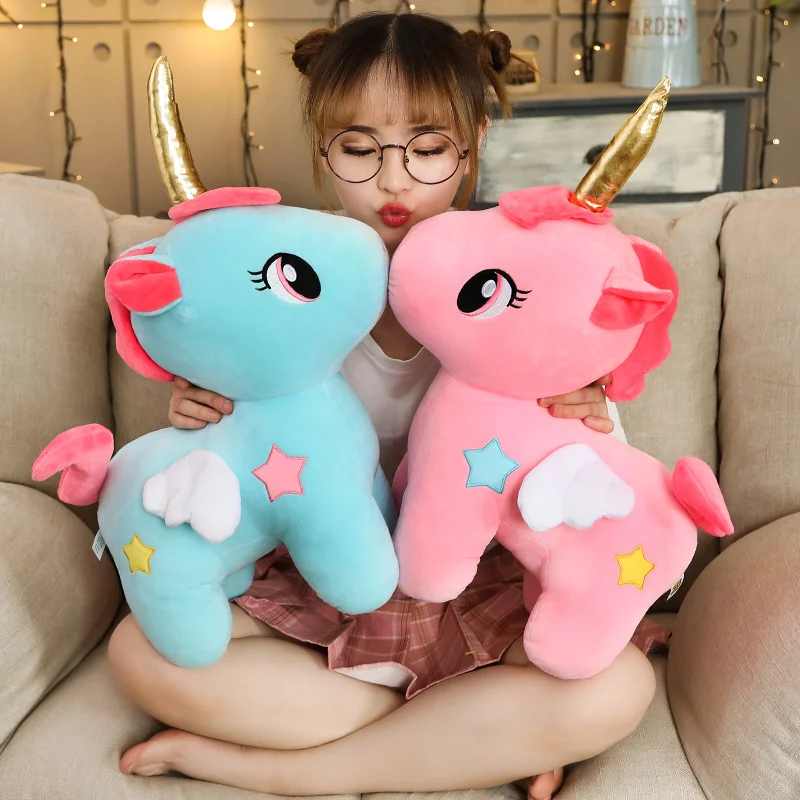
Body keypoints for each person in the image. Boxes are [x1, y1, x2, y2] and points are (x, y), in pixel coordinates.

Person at [109, 12, 665, 800]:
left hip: (475, 582)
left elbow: (603, 489)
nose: (394, 182)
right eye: (360, 148)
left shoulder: (528, 279)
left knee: (618, 689)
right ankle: (464, 733)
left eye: (428, 149)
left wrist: (591, 418)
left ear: (472, 143)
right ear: (323, 152)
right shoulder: (282, 278)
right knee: (138, 651)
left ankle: (284, 769)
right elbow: (204, 474)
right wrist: (200, 410)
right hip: (325, 576)